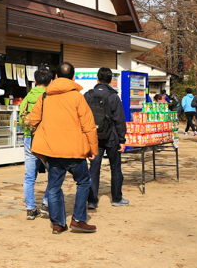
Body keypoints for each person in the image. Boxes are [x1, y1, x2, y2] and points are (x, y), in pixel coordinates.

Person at [27, 62, 98, 234]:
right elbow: (89, 126)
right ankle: (78, 219)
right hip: (74, 151)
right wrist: (93, 150)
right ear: (73, 77)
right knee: (83, 182)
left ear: (56, 77)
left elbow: (32, 121)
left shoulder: (45, 96)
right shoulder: (77, 97)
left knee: (53, 187)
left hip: (52, 150)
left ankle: (58, 223)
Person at [86, 67, 129, 209]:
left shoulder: (88, 95)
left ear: (97, 79)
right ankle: (116, 198)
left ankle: (92, 201)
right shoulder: (113, 96)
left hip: (94, 139)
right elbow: (119, 120)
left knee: (94, 169)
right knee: (116, 169)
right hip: (111, 138)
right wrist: (122, 140)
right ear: (110, 80)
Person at [18, 67, 52, 220]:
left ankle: (30, 209)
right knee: (54, 173)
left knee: (29, 177)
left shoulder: (27, 97)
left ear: (35, 81)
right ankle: (46, 203)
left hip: (29, 138)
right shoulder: (50, 97)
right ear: (50, 81)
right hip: (46, 140)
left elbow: (21, 120)